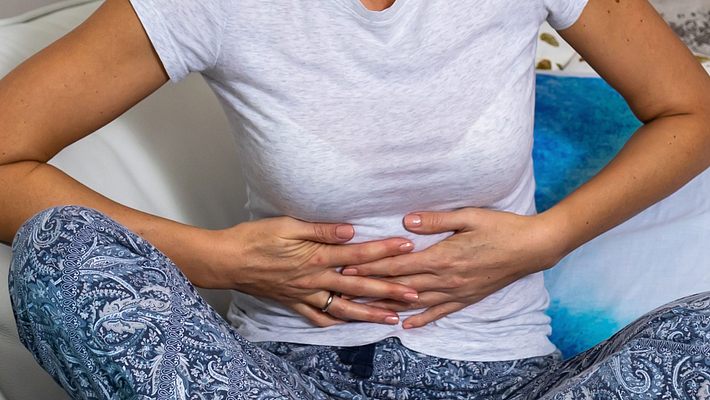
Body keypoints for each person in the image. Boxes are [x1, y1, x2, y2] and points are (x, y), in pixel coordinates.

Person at [1, 0, 709, 398]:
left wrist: (552, 236)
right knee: (58, 249)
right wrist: (218, 260)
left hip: (511, 382)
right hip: (273, 381)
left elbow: (692, 110)